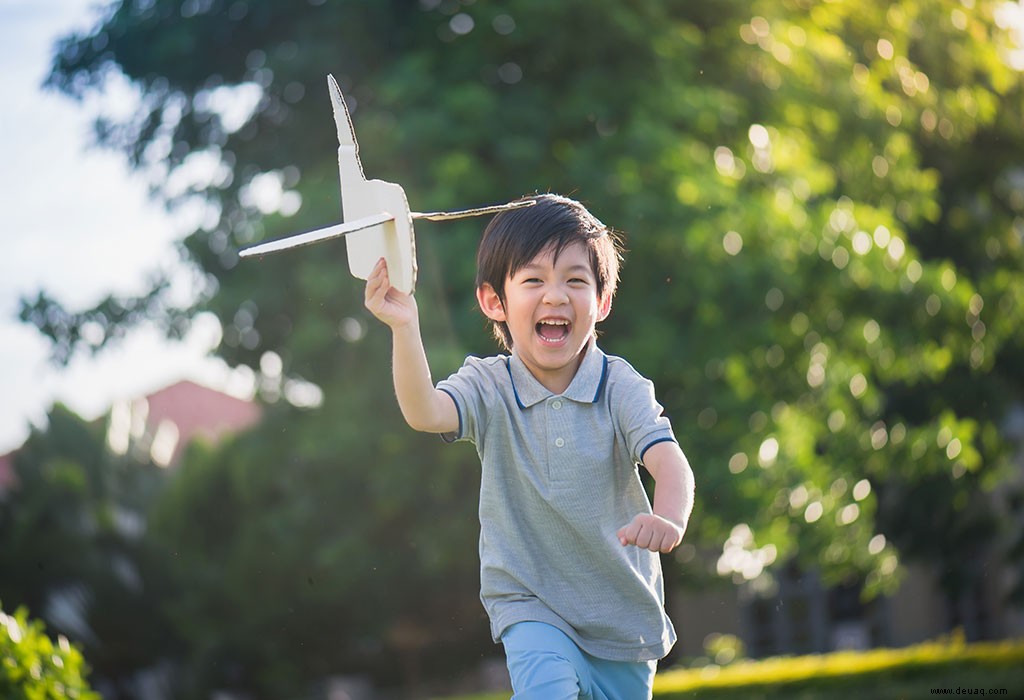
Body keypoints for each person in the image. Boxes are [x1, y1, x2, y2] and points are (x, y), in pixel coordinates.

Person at [364, 193, 695, 699]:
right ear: (495, 301)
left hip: (621, 620)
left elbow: (672, 466)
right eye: (534, 279)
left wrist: (669, 518)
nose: (556, 296)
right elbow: (425, 412)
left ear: (603, 302)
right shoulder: (488, 385)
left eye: (575, 280)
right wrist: (405, 326)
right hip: (530, 603)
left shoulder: (620, 386)